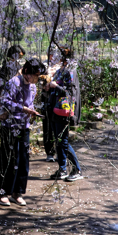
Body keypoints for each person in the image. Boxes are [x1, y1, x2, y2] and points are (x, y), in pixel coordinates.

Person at [0, 58, 45, 206]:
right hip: (10, 125)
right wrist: (23, 109)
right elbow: (5, 101)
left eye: (38, 76)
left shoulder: (33, 87)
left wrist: (31, 112)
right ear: (26, 72)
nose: (37, 79)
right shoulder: (14, 83)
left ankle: (18, 192)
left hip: (24, 126)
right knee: (8, 159)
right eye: (35, 75)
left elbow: (29, 103)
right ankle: (2, 192)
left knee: (23, 160)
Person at [48, 46, 82, 181]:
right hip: (55, 109)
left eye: (57, 55)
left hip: (64, 110)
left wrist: (55, 86)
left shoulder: (70, 71)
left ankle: (77, 169)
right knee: (58, 140)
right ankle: (62, 169)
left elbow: (70, 92)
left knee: (64, 141)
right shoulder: (59, 70)